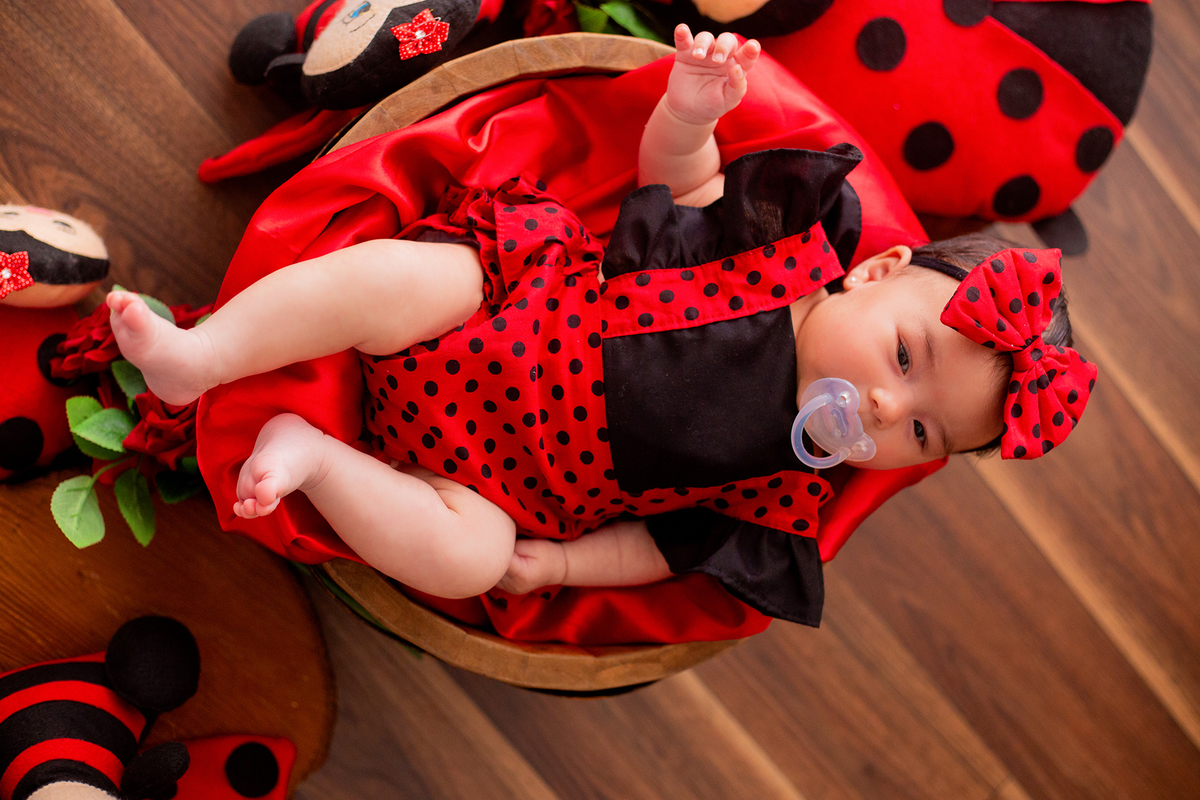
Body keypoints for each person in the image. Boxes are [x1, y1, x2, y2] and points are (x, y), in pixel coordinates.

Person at [105, 26, 1095, 625]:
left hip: (496, 478)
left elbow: (667, 544)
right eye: (905, 357)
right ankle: (209, 354)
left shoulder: (788, 484)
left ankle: (315, 459)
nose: (884, 405)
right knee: (401, 279)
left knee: (474, 557)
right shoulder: (776, 250)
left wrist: (566, 564)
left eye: (920, 432)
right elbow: (678, 185)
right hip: (506, 310)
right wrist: (691, 111)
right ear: (872, 271)